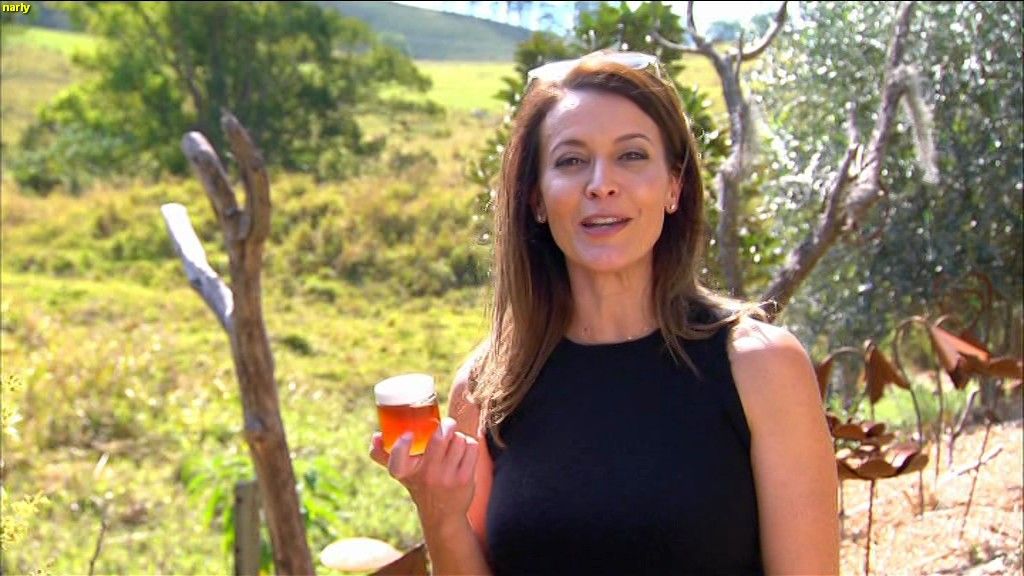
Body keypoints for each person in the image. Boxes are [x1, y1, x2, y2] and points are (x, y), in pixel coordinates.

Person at [370, 51, 839, 575]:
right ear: (537, 199)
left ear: (674, 186)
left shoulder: (761, 367)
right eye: (571, 161)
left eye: (631, 155)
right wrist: (438, 515)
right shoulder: (489, 387)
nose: (601, 184)